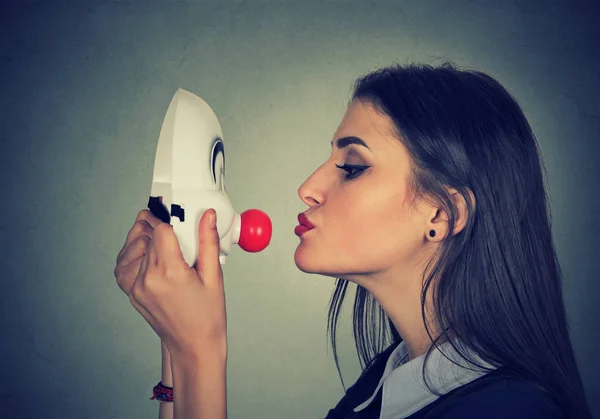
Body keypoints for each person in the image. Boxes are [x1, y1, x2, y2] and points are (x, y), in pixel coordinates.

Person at [113, 62, 592, 419]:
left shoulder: (507, 412)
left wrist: (202, 351)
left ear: (441, 214)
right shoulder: (390, 382)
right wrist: (176, 344)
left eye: (353, 167)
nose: (308, 188)